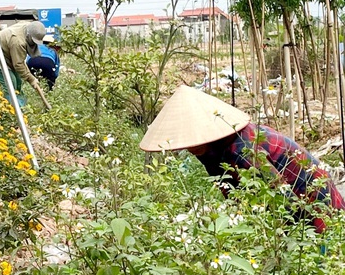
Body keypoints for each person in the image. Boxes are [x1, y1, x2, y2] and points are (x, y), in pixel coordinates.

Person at [140, 85, 345, 233]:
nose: (185, 146)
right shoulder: (211, 149)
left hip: (314, 199)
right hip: (294, 199)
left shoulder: (243, 151)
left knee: (320, 259)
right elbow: (237, 194)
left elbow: (283, 200)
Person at [0, 20, 46, 106]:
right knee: (10, 84)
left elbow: (20, 62)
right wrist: (31, 79)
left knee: (18, 81)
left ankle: (23, 106)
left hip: (6, 53)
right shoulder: (18, 41)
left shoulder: (28, 26)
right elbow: (18, 64)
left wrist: (31, 79)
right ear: (29, 36)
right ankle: (13, 111)